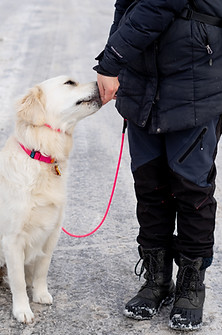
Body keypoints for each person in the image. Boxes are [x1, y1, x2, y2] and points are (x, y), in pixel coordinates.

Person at [93, 0, 222, 331]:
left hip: (195, 81)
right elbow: (127, 8)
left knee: (192, 190)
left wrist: (111, 62)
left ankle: (191, 284)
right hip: (143, 84)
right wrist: (117, 59)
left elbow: (157, 4)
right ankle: (157, 279)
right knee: (150, 187)